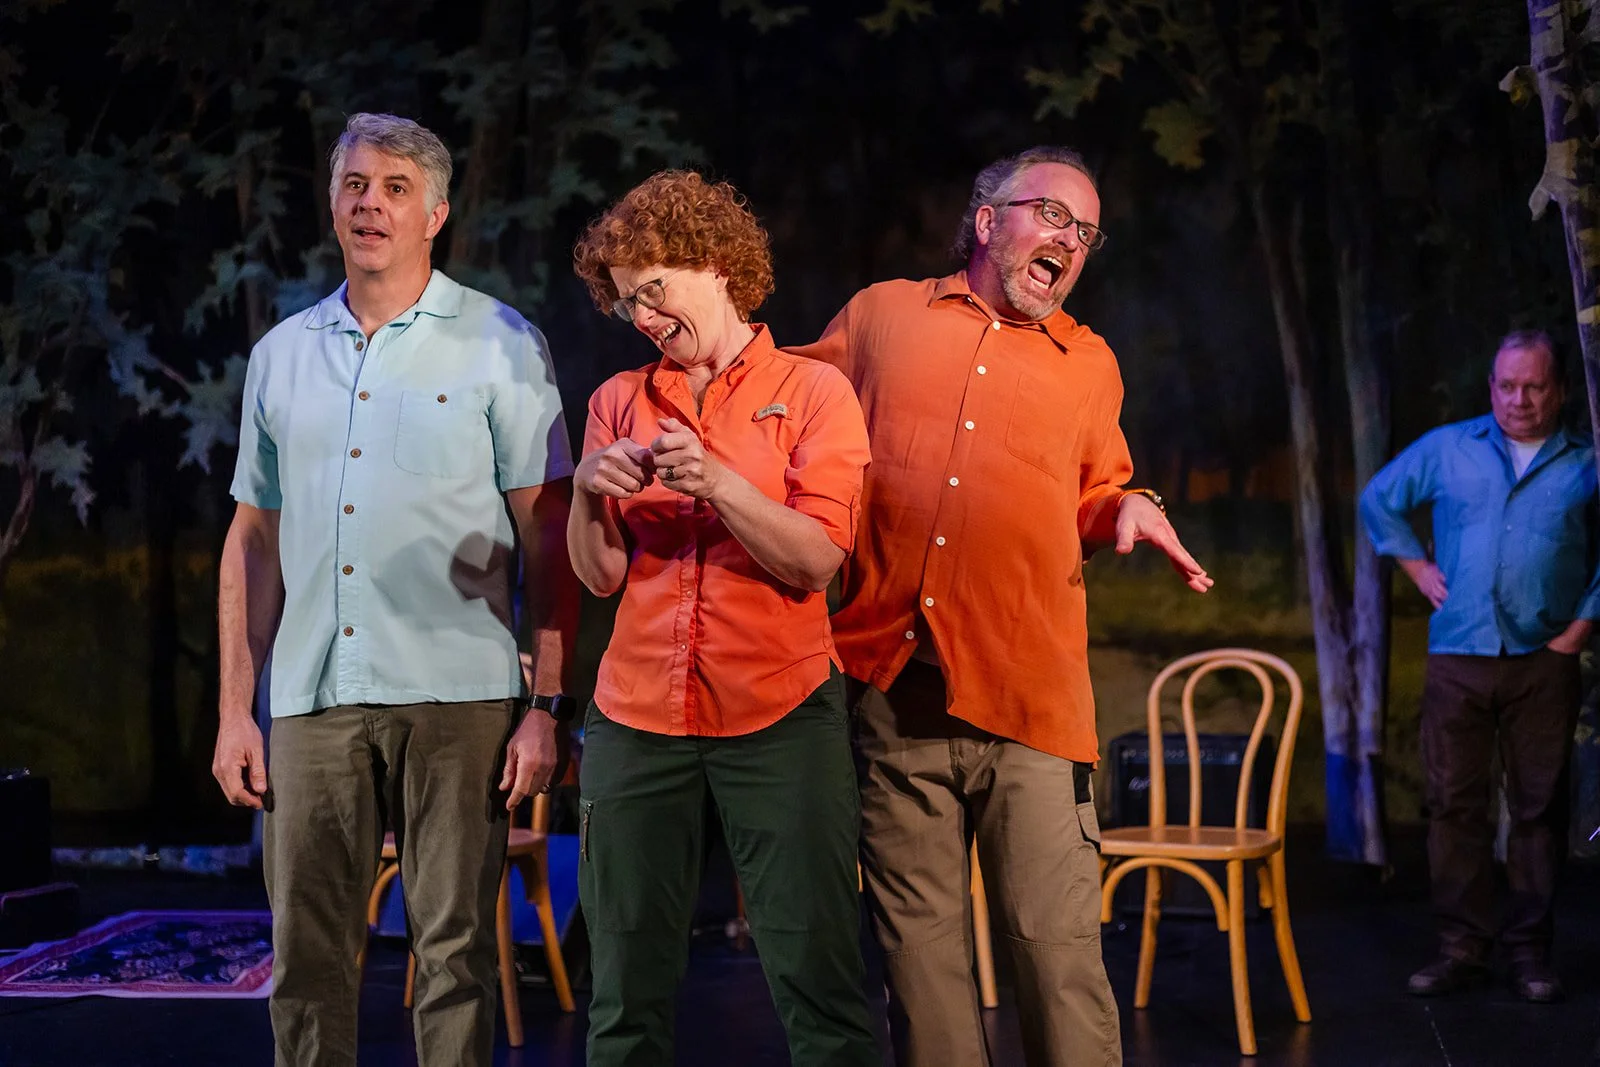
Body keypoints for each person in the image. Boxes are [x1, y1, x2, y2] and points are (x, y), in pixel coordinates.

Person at [788, 146, 1212, 1067]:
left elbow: (1102, 489)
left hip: (1029, 703)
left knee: (1055, 961)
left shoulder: (1089, 364)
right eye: (1055, 216)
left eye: (1087, 233)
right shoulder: (881, 317)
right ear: (988, 222)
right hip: (890, 689)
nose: (1072, 241)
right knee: (922, 967)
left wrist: (1135, 505)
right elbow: (787, 405)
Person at [211, 112, 579, 1066]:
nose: (371, 202)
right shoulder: (283, 353)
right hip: (309, 697)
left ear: (437, 213)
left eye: (395, 188)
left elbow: (552, 534)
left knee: (455, 955)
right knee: (305, 955)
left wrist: (545, 704)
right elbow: (252, 536)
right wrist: (233, 709)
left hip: (459, 694)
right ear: (333, 203)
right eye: (355, 184)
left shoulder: (501, 341)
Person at [568, 170, 880, 1067]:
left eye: (653, 290)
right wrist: (591, 493)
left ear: (713, 262)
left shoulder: (813, 393)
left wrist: (716, 479)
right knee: (623, 990)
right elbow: (599, 579)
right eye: (628, 303)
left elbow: (817, 559)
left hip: (780, 713)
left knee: (817, 979)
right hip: (637, 717)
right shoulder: (617, 401)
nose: (644, 318)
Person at [1360, 329, 1600, 1004]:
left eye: (1532, 386)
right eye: (1506, 385)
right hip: (1459, 653)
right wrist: (1414, 564)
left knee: (1537, 809)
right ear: (1490, 386)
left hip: (1543, 659)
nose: (1517, 399)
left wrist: (1578, 628)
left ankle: (1530, 953)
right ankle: (1462, 947)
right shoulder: (1450, 448)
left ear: (1558, 389)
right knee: (1453, 807)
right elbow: (1380, 498)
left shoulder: (1586, 460)